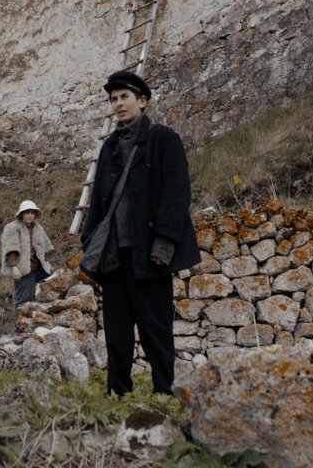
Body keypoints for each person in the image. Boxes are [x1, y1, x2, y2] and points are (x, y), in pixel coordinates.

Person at [81, 70, 201, 396]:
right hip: (113, 257)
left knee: (155, 328)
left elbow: (176, 193)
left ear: (142, 101)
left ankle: (165, 393)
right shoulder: (109, 147)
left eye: (125, 97)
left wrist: (164, 243)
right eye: (113, 99)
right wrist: (89, 243)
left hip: (149, 253)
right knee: (116, 332)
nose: (119, 104)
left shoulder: (163, 139)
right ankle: (118, 394)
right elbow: (98, 202)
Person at [1, 200, 54, 314]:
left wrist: (46, 261)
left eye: (32, 213)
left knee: (55, 282)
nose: (30, 215)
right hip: (23, 270)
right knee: (23, 302)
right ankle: (20, 325)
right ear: (21, 214)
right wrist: (14, 267)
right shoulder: (12, 227)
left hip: (40, 268)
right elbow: (11, 248)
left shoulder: (38, 227)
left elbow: (46, 246)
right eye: (27, 213)